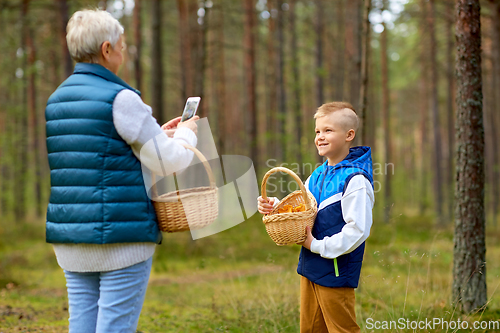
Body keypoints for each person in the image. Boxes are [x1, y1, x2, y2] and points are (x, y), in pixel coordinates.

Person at [45, 9, 199, 333]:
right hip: (121, 239)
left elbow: (103, 147)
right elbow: (169, 161)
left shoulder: (57, 100)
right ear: (106, 49)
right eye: (122, 45)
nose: (124, 51)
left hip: (71, 236)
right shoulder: (121, 98)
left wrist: (159, 133)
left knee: (82, 326)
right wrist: (186, 134)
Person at [258, 102, 374, 333]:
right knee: (310, 328)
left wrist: (317, 245)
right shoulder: (318, 174)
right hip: (310, 267)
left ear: (349, 134)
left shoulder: (355, 180)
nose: (320, 137)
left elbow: (358, 230)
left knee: (341, 329)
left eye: (328, 130)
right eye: (317, 131)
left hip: (336, 270)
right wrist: (275, 206)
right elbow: (305, 208)